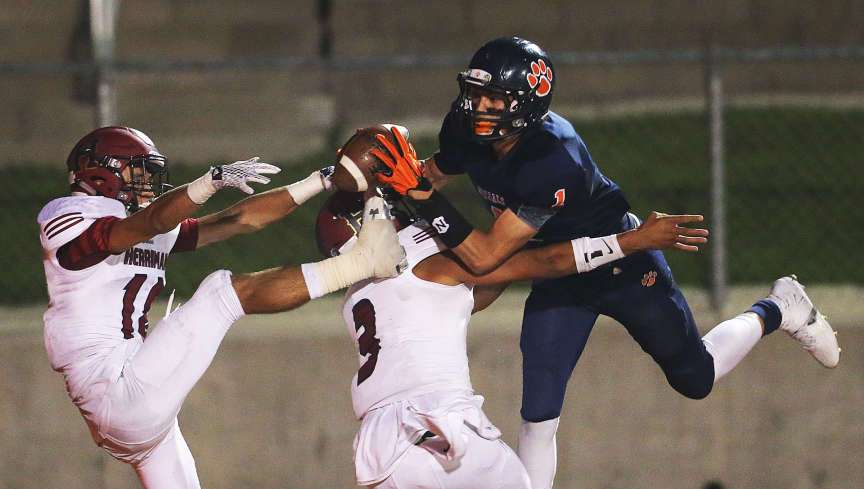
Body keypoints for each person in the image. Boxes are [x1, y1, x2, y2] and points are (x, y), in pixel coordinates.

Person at [371, 37, 842, 489]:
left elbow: (486, 255)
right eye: (475, 94)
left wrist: (425, 200)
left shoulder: (554, 156)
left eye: (494, 99)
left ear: (526, 105)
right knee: (538, 409)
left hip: (620, 262)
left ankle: (779, 307)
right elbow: (437, 173)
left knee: (695, 378)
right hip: (554, 274)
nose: (479, 108)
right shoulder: (467, 126)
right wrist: (391, 182)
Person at [38, 126, 406, 489]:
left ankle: (363, 258)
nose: (148, 182)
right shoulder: (69, 216)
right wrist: (207, 183)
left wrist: (320, 180)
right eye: (138, 171)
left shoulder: (138, 222)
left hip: (137, 394)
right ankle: (362, 263)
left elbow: (239, 220)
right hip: (114, 390)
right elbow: (147, 223)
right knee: (220, 293)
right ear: (100, 173)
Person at [317, 191, 710, 489]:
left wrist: (508, 244)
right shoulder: (426, 264)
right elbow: (546, 263)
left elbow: (466, 296)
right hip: (437, 427)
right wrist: (631, 241)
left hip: (379, 446)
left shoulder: (357, 296)